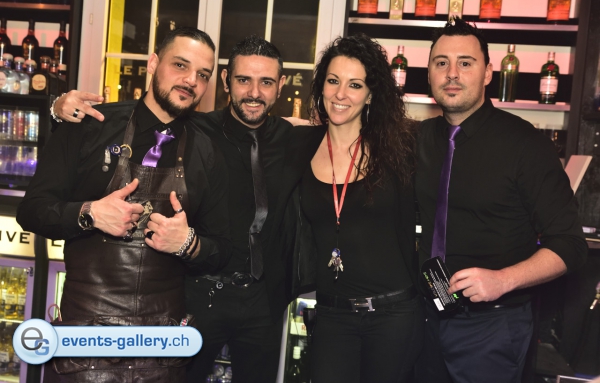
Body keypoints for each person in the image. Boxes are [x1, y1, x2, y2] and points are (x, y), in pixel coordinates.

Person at [52, 35, 300, 383]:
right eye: (244, 79)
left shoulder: (296, 138)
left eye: (267, 82)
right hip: (198, 294)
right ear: (226, 81)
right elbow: (139, 116)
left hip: (263, 300)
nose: (254, 92)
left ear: (281, 85)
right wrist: (58, 106)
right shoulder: (196, 130)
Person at [17, 27, 230, 382]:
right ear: (153, 63)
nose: (191, 81)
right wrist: (89, 214)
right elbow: (32, 210)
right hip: (85, 347)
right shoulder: (91, 126)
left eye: (203, 75)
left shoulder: (207, 151)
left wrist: (188, 243)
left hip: (162, 354)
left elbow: (223, 250)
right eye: (180, 65)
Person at [414, 18, 588, 383]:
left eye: (465, 62)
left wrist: (503, 280)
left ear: (489, 73)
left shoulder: (526, 145)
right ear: (429, 74)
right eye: (441, 62)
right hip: (424, 318)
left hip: (491, 326)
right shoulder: (419, 139)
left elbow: (570, 244)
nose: (452, 73)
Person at [272, 33, 423, 382]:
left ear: (370, 94)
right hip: (332, 314)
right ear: (321, 86)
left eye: (355, 85)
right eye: (333, 81)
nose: (341, 94)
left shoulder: (400, 148)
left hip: (393, 315)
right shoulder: (300, 144)